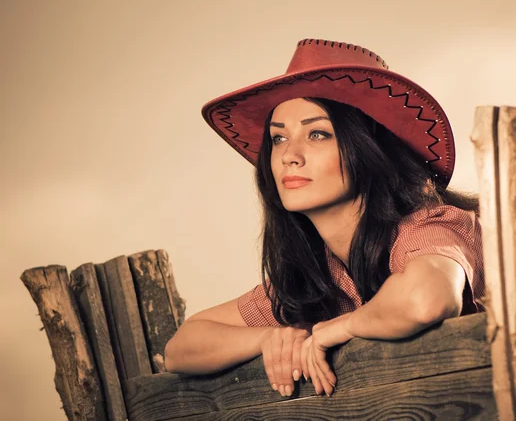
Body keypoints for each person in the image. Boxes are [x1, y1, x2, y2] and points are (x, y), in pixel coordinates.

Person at [164, 38, 485, 398]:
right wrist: (275, 338)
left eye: (317, 133)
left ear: (368, 149)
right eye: (279, 139)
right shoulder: (319, 274)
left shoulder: (429, 226)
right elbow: (181, 348)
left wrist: (336, 328)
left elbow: (425, 300)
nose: (290, 156)